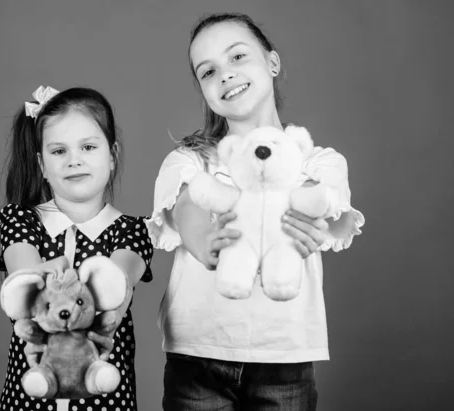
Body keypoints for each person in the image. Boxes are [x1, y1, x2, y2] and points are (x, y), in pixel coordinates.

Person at [146, 12, 365, 410]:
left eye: (237, 57)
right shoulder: (191, 158)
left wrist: (313, 221)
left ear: (272, 63)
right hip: (197, 356)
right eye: (208, 71)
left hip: (284, 359)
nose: (225, 74)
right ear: (203, 89)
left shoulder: (318, 160)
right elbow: (188, 204)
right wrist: (204, 242)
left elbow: (322, 202)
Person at [0, 85, 153, 411]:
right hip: (30, 399)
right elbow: (24, 281)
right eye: (59, 151)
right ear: (41, 165)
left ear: (112, 155)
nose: (74, 161)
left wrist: (59, 283)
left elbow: (114, 290)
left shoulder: (134, 230)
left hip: (105, 399)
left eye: (88, 147)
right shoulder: (21, 219)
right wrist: (36, 289)